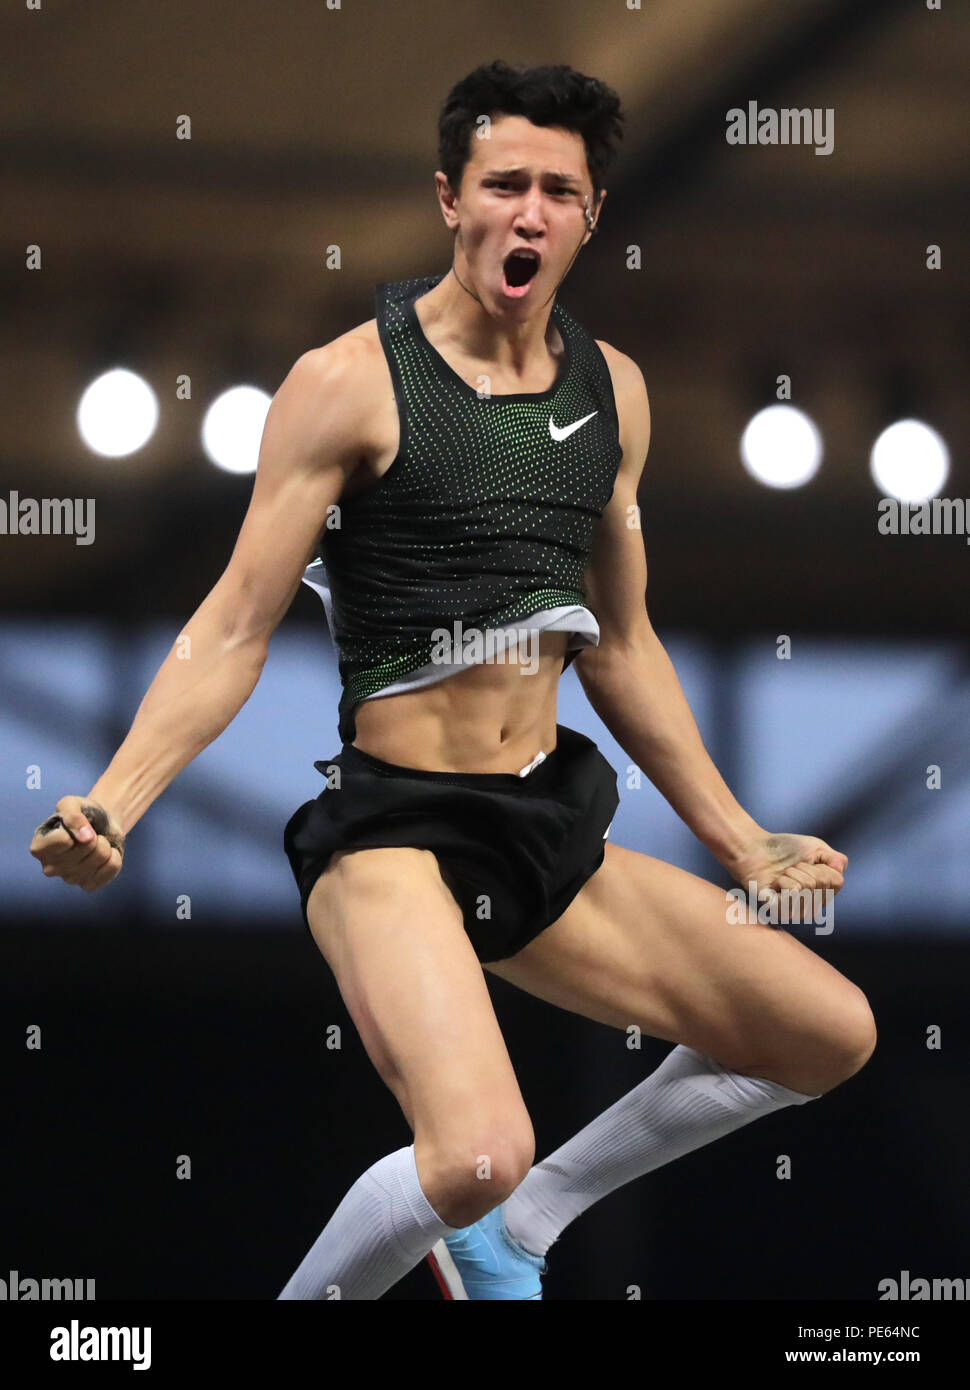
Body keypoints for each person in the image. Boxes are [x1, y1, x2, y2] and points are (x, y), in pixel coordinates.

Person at [29, 61, 876, 1301]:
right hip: (392, 834)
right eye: (502, 185)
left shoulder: (615, 391)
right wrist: (114, 800)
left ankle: (519, 1229)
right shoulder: (348, 382)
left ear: (591, 217)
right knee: (472, 1149)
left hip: (538, 826)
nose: (526, 213)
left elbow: (624, 648)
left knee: (828, 1033)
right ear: (449, 198)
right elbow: (229, 629)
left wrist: (742, 840)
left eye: (557, 191)